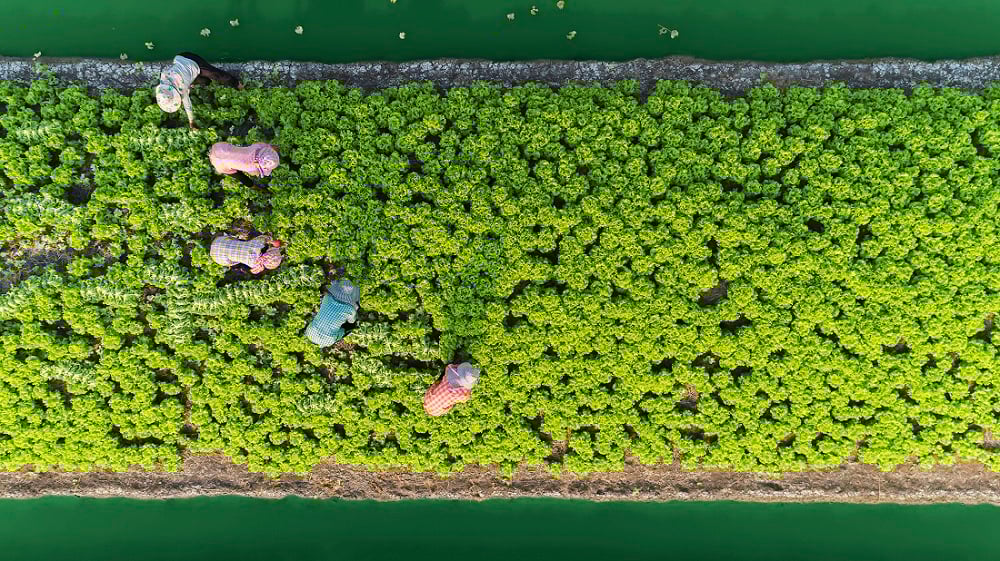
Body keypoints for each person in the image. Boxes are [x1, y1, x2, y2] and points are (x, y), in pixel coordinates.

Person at [155, 52, 242, 130]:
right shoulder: (162, 84)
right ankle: (198, 80)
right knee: (206, 82)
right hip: (181, 64)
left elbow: (187, 104)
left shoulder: (182, 88)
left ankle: (237, 84)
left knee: (216, 75)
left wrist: (191, 121)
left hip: (192, 61)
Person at [306, 279, 360, 347]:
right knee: (350, 325)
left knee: (347, 328)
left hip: (347, 308)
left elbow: (345, 328)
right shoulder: (327, 297)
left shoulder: (327, 298)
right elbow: (351, 322)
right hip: (330, 299)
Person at [210, 234, 283, 274]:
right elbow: (252, 271)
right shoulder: (255, 265)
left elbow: (266, 237)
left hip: (219, 241)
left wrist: (273, 242)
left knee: (237, 241)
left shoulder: (258, 243)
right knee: (235, 262)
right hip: (218, 258)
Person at [209, 142, 280, 183]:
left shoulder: (258, 146)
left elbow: (271, 147)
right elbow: (254, 173)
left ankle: (211, 153)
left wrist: (273, 150)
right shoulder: (251, 169)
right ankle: (253, 187)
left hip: (220, 149)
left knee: (234, 152)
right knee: (242, 178)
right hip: (221, 165)